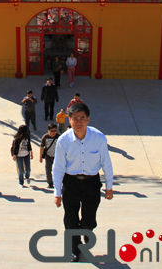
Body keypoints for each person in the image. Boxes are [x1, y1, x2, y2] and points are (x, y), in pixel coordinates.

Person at [52, 103, 114, 262]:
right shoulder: (63, 141)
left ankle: (87, 230)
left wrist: (109, 187)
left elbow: (106, 163)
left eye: (82, 118)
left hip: (91, 183)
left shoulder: (98, 137)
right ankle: (74, 248)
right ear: (69, 120)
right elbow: (58, 167)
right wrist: (57, 193)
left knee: (89, 220)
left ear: (88, 119)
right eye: (75, 119)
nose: (79, 122)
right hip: (71, 183)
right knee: (70, 219)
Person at [39, 123, 60, 189]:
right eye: (52, 131)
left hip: (57, 157)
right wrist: (40, 157)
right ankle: (50, 183)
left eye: (55, 131)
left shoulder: (59, 137)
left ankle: (57, 183)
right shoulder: (45, 137)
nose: (53, 132)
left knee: (56, 171)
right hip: (48, 156)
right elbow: (42, 147)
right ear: (48, 130)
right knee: (48, 170)